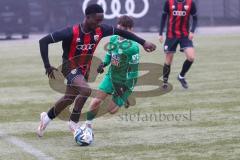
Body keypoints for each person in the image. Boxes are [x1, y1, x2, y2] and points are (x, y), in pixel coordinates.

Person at [37, 4, 156, 137]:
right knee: (86, 90)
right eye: (97, 20)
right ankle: (73, 122)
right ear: (87, 17)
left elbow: (122, 32)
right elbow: (43, 41)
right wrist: (47, 65)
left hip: (84, 69)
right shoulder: (71, 31)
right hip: (69, 66)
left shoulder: (101, 30)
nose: (100, 23)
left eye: (101, 20)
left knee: (69, 98)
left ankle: (46, 118)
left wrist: (143, 42)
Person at [83, 15, 140, 130]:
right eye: (119, 28)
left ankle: (121, 97)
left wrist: (126, 88)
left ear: (130, 30)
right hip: (110, 76)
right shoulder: (113, 39)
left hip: (124, 81)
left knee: (111, 111)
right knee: (96, 101)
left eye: (124, 29)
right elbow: (110, 55)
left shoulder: (133, 47)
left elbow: (134, 72)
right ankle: (87, 125)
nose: (121, 31)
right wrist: (103, 64)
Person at [159, 0, 198, 89]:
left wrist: (192, 31)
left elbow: (195, 17)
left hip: (184, 35)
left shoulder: (190, 3)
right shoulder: (169, 2)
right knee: (169, 60)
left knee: (191, 57)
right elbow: (163, 17)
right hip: (171, 35)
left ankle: (181, 76)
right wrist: (160, 33)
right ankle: (165, 82)